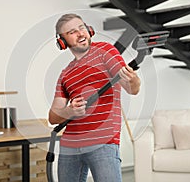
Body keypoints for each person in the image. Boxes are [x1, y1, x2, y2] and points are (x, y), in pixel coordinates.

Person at [48, 13, 140, 182]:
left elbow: (132, 89)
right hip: (70, 145)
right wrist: (68, 111)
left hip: (103, 142)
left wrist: (133, 79)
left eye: (82, 27)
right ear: (62, 42)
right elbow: (53, 117)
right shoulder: (65, 74)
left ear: (89, 30)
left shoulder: (105, 51)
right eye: (72, 32)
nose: (81, 33)